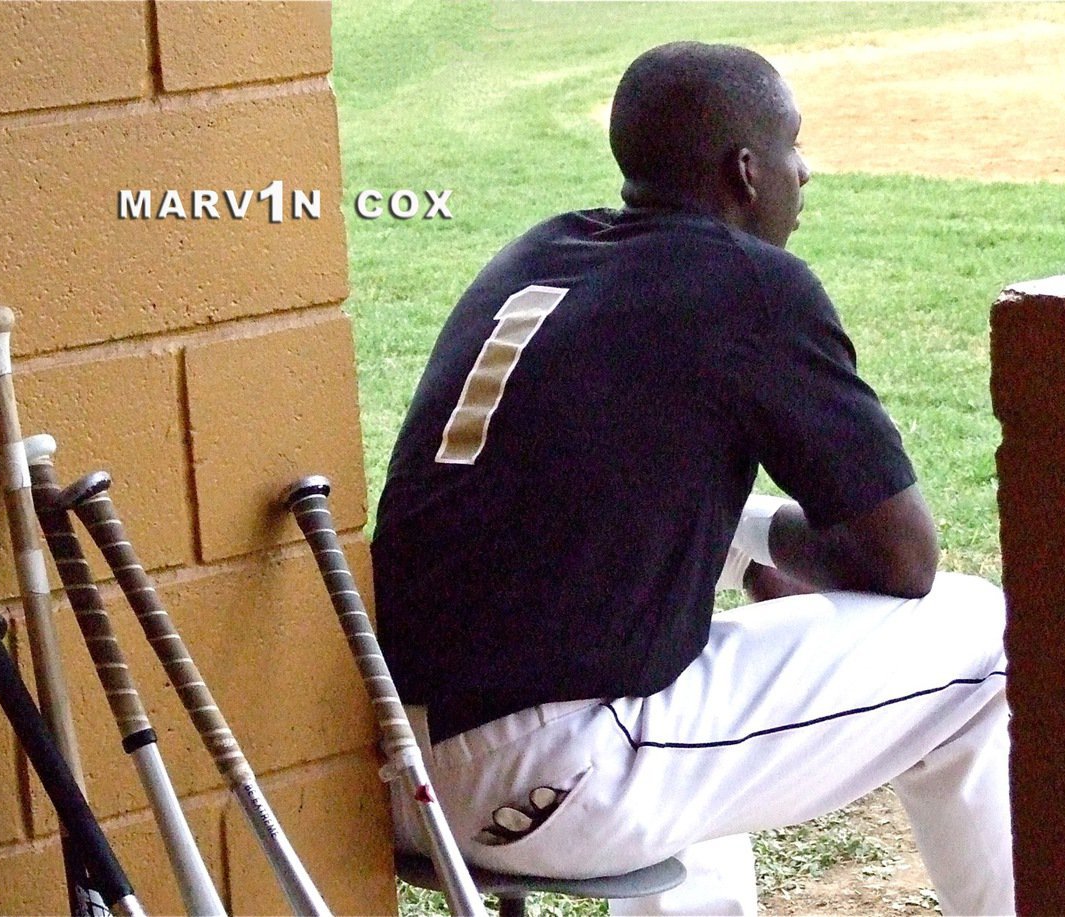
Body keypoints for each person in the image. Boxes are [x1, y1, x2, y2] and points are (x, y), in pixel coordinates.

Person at [372, 42, 1012, 915]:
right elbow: (905, 561)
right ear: (746, 173)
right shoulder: (750, 285)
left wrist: (745, 547)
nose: (806, 170)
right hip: (548, 778)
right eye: (793, 146)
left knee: (692, 671)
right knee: (985, 637)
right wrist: (774, 550)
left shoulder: (537, 254)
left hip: (394, 767)